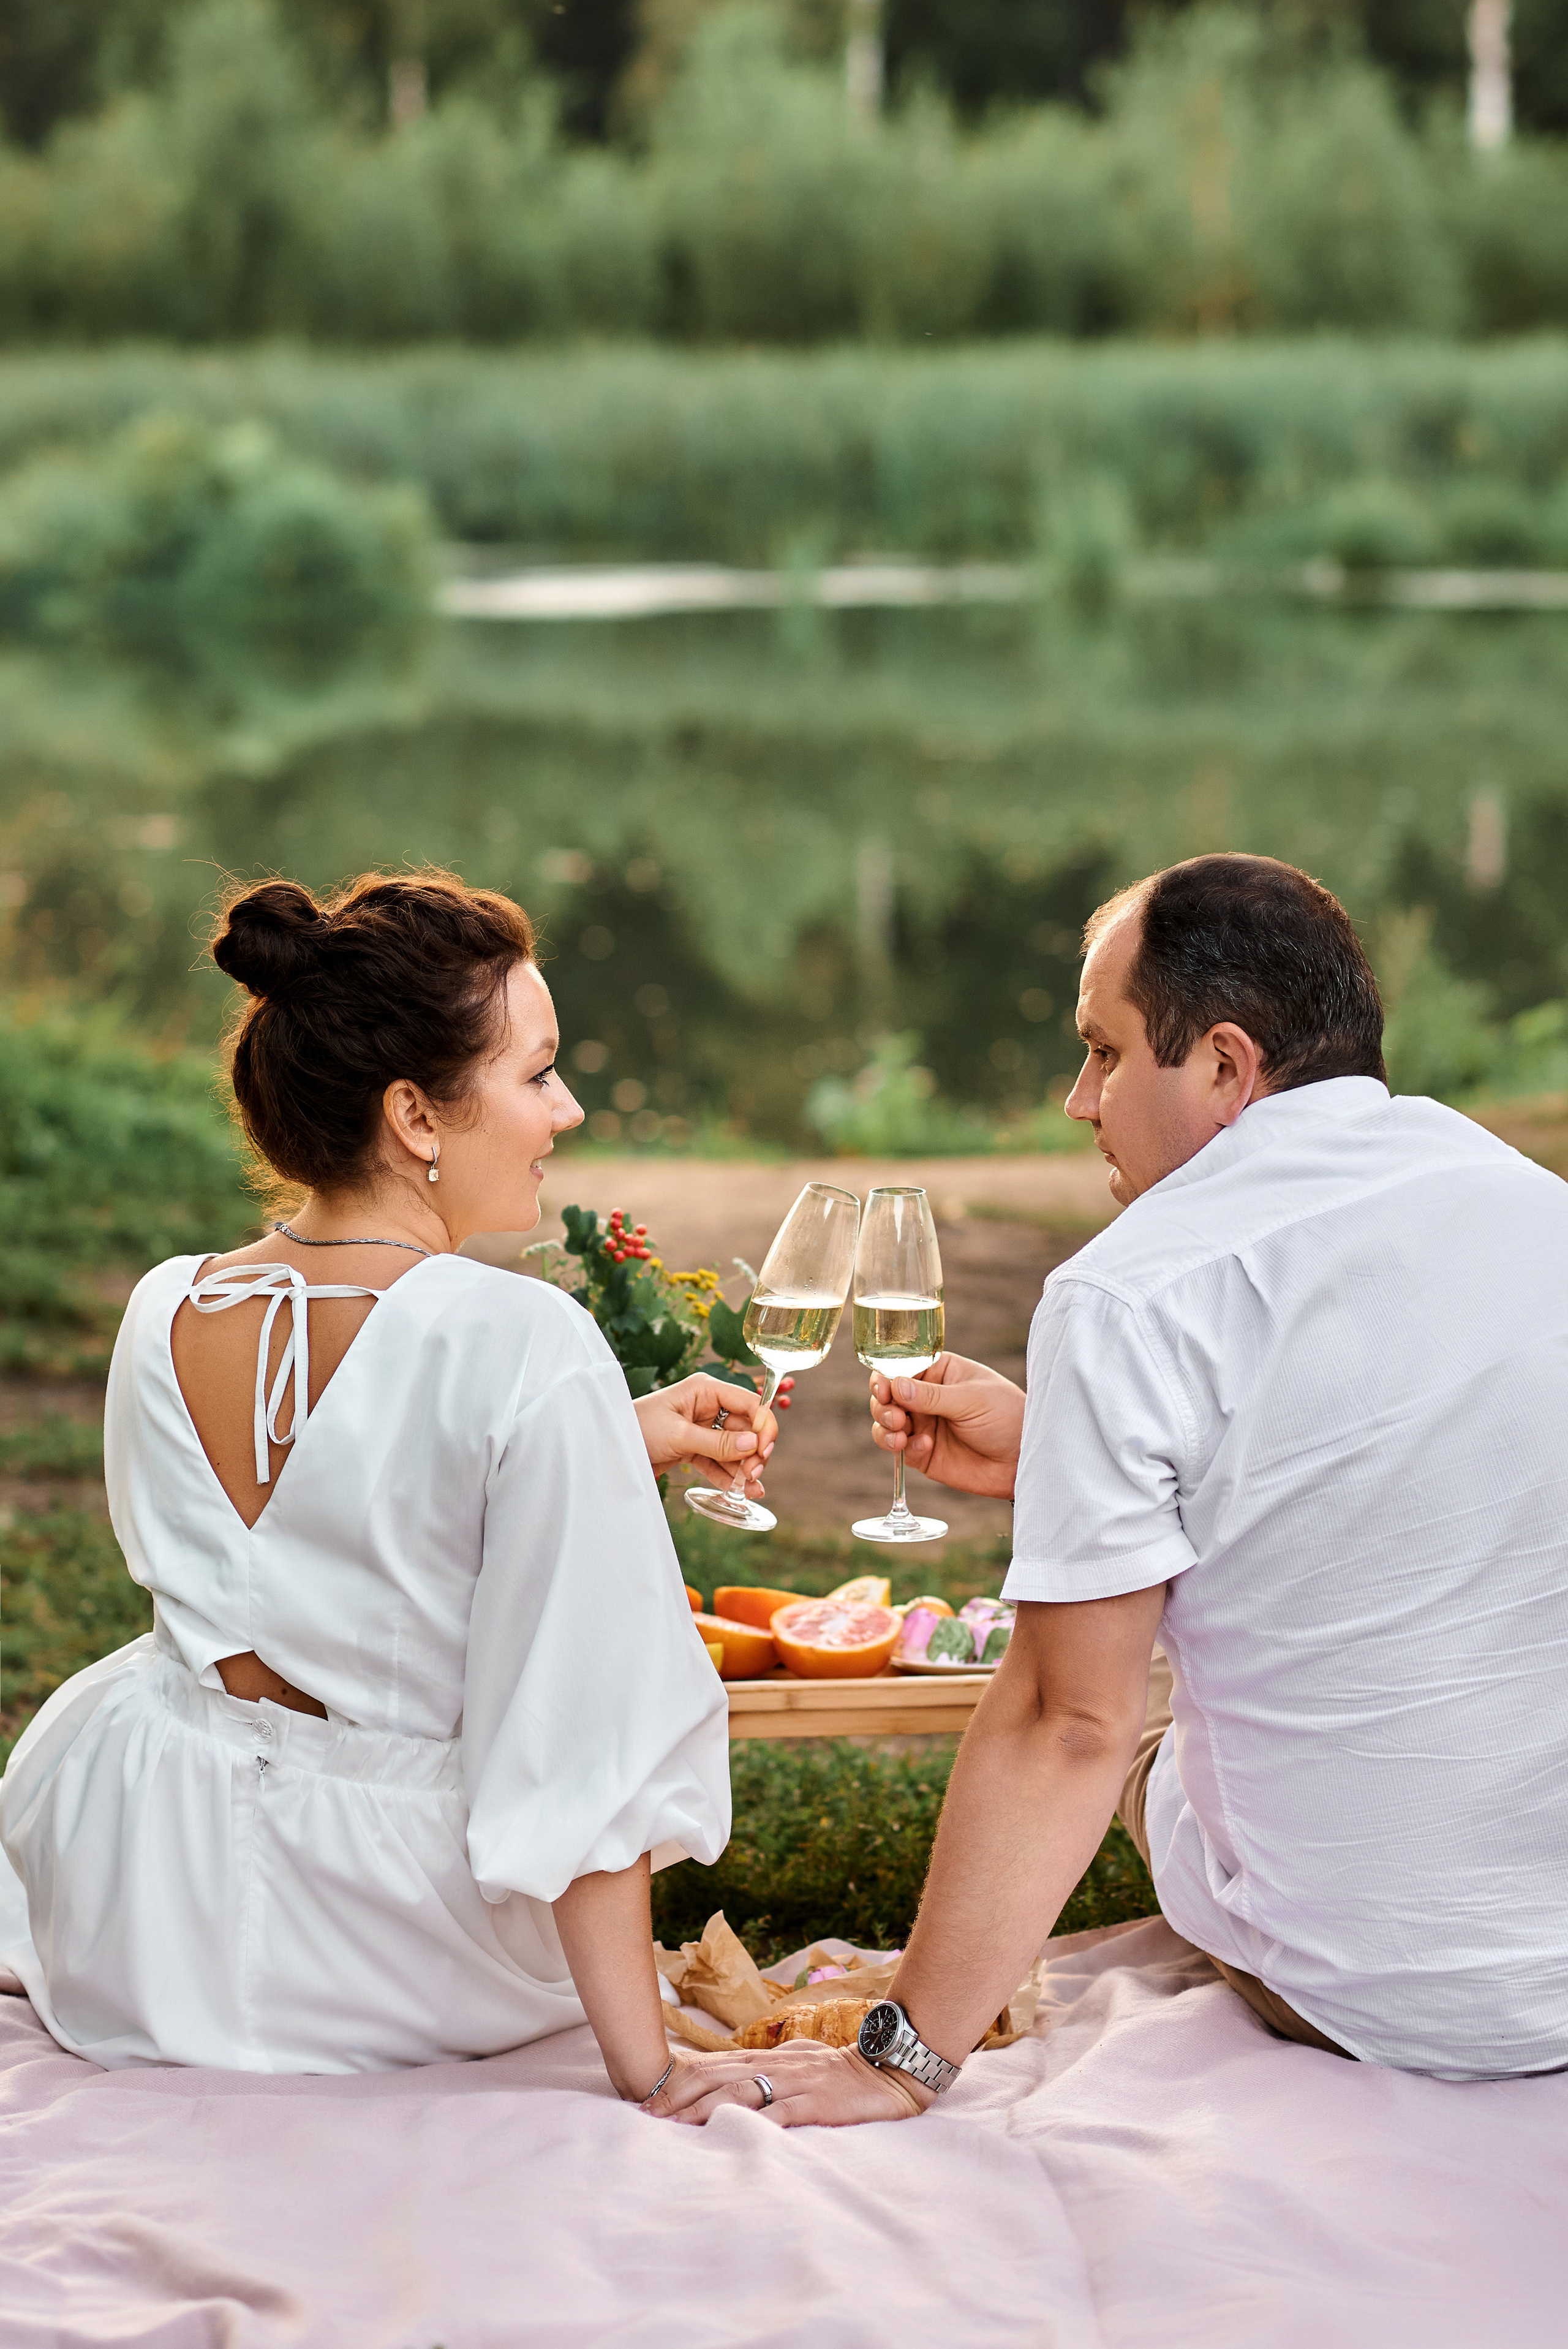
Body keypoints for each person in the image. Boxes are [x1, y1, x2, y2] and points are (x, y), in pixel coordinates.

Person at [652, 851, 1568, 2128]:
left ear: (1225, 1068)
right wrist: (1058, 1458)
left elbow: (1058, 1726)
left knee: (1146, 1749)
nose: (1079, 1100)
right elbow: (1394, 1481)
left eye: (1102, 1052)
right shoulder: (1533, 1209)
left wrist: (892, 2058)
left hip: (1382, 1999)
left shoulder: (1135, 1285)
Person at [0, 869, 775, 2102]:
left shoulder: (167, 1305)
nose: (564, 1109)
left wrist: (595, 1440)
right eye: (535, 1073)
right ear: (415, 1116)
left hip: (145, 1900)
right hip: (389, 1943)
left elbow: (314, 1541)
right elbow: (580, 1730)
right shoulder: (522, 1338)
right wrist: (650, 2068)